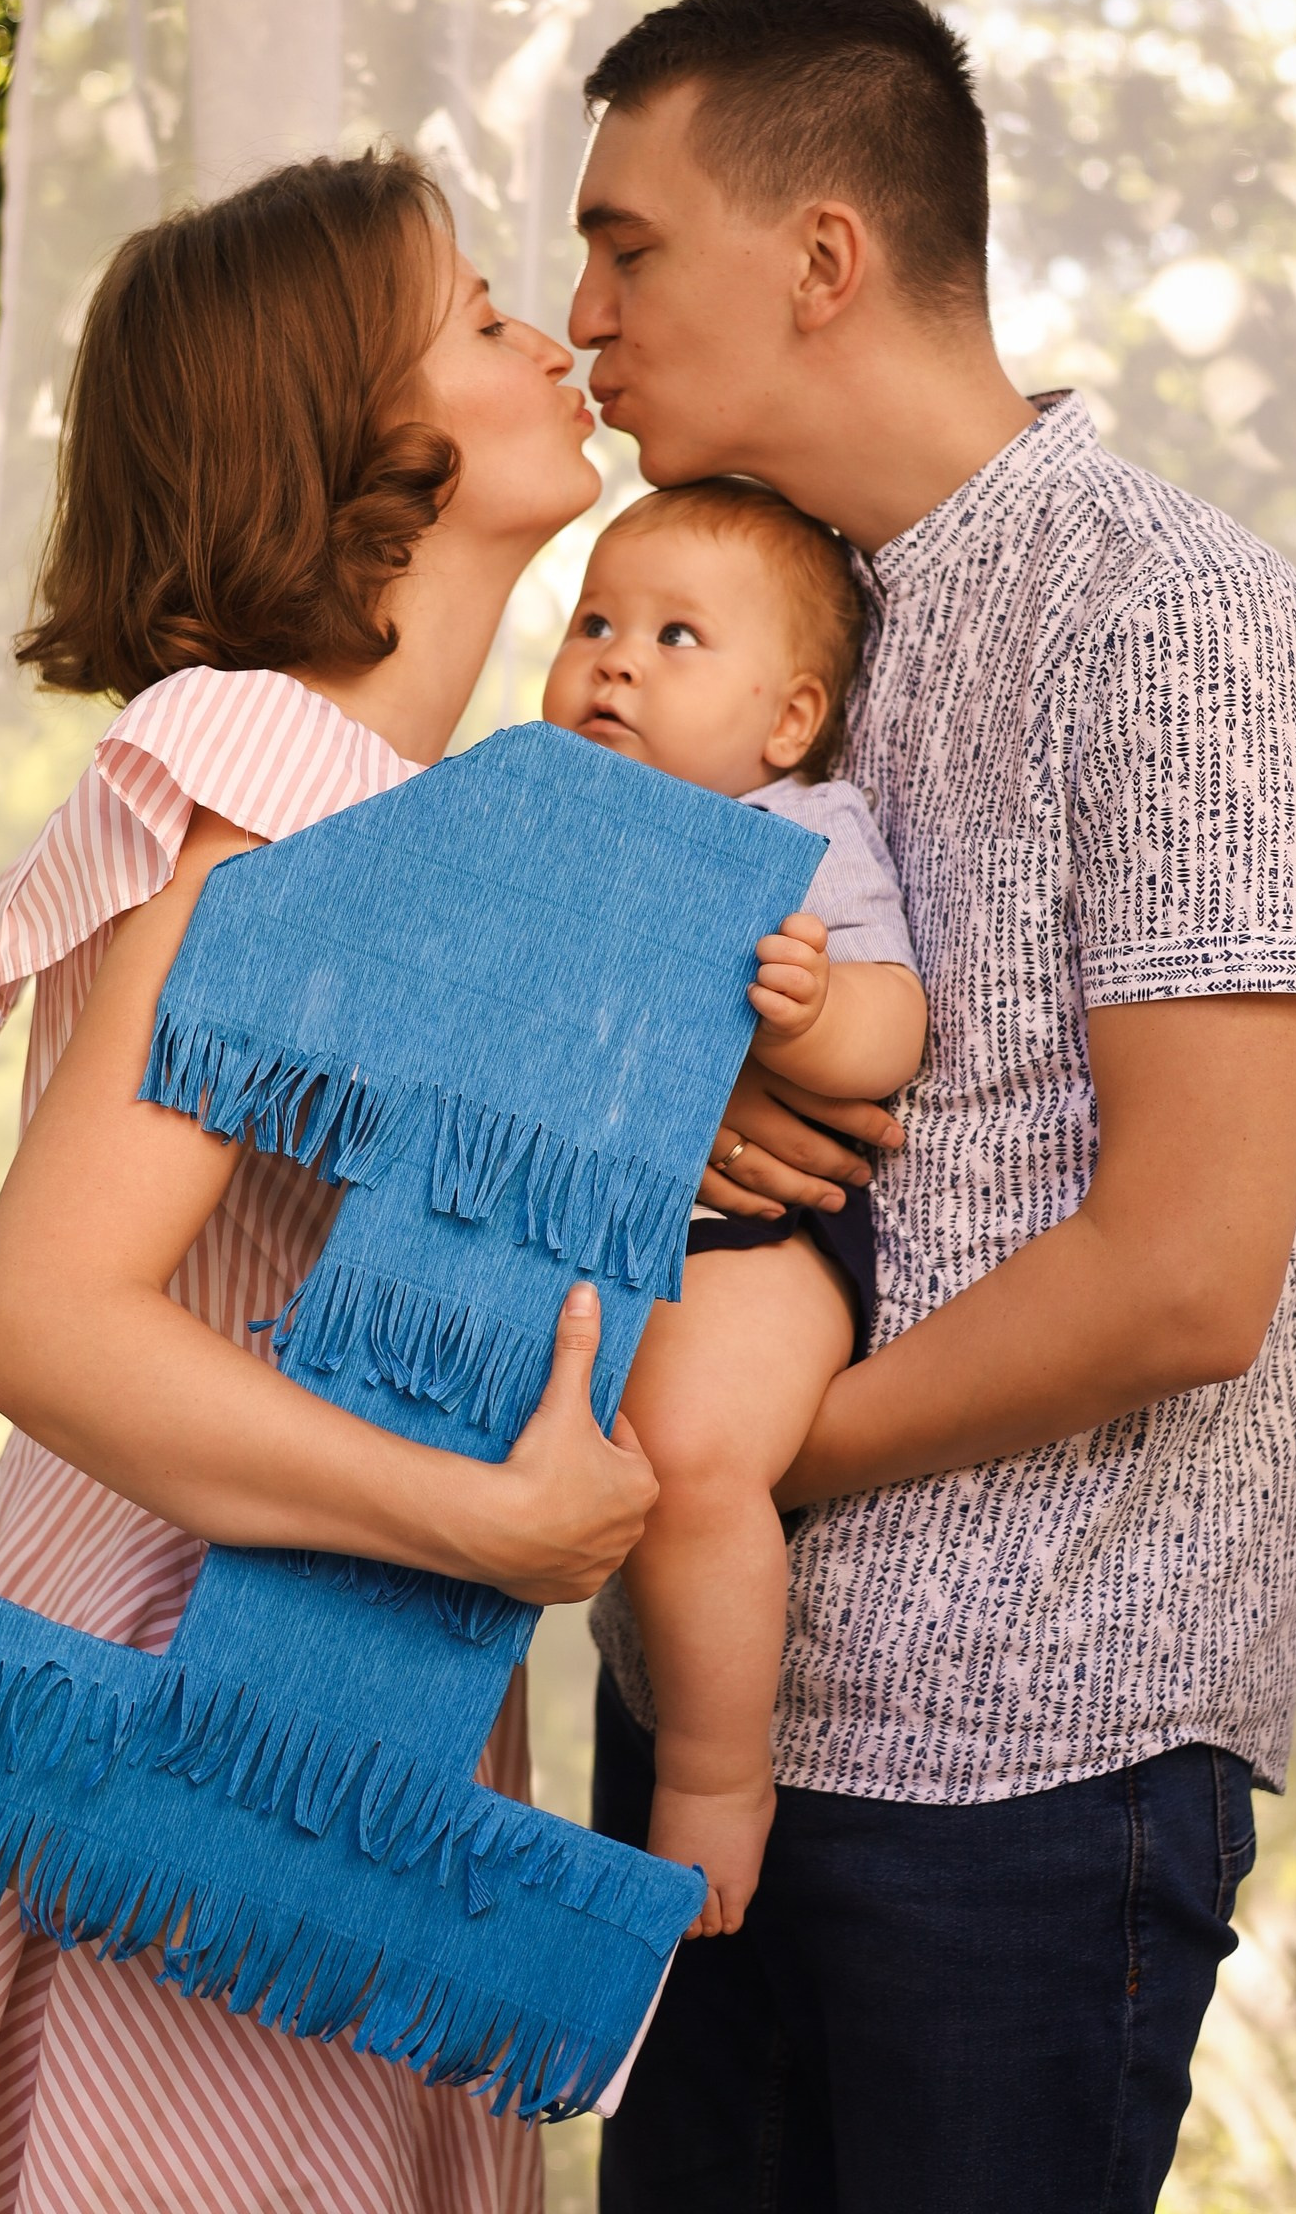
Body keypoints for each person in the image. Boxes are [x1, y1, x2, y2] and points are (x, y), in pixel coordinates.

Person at [0, 150, 658, 2214]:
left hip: (311, 1650)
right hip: (193, 1668)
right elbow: (44, 1317)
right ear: (366, 428)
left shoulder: (390, 797)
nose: (557, 333)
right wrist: (486, 1513)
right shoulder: (273, 767)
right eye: (487, 313)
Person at [572, 0, 1296, 2214]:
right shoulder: (716, 619)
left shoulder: (1173, 624)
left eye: (623, 244)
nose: (578, 316)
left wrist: (721, 1461)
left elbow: (1183, 1276)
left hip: (1020, 1777)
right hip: (702, 1737)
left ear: (820, 255)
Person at [541, 481, 925, 1935]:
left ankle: (712, 1780)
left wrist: (811, 1016)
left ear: (786, 719)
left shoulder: (795, 832)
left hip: (757, 1238)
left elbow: (893, 1033)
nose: (617, 659)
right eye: (594, 622)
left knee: (691, 1457)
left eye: (676, 634)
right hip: (595, 1221)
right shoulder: (544, 815)